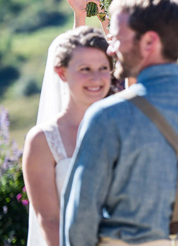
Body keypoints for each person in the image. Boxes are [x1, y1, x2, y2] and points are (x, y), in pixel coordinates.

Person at [60, 0, 178, 246]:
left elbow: (80, 221)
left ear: (149, 42)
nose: (110, 49)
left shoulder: (107, 117)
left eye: (118, 37)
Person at [23, 26, 113, 246]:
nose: (96, 78)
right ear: (61, 72)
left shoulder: (125, 127)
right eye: (85, 69)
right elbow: (49, 221)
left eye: (103, 68)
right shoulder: (42, 140)